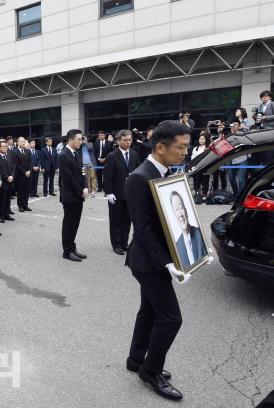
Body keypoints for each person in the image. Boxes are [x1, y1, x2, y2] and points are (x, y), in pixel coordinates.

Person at [124, 120, 195, 401]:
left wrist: (194, 248)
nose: (185, 152)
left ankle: (135, 359)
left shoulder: (166, 173)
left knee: (149, 311)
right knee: (171, 319)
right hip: (148, 262)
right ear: (161, 147)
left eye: (187, 147)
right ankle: (151, 370)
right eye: (182, 147)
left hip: (158, 258)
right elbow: (143, 229)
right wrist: (167, 263)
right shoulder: (140, 177)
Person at [103, 130, 141, 255]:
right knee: (115, 220)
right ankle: (116, 244)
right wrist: (108, 192)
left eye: (129, 140)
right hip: (116, 193)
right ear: (118, 140)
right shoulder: (112, 156)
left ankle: (124, 242)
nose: (128, 142)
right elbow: (107, 176)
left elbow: (138, 171)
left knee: (127, 220)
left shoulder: (134, 155)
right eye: (125, 140)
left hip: (130, 194)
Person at [58, 130, 89, 262]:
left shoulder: (77, 154)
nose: (81, 142)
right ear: (70, 140)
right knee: (69, 224)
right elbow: (68, 178)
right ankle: (67, 251)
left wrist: (86, 186)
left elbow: (82, 173)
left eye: (81, 139)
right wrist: (80, 191)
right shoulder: (63, 155)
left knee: (75, 224)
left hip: (78, 195)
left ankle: (72, 247)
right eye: (78, 139)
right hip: (70, 196)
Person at [170, 191, 206, 269]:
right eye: (176, 209)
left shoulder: (199, 234)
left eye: (181, 208)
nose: (180, 214)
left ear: (186, 210)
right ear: (174, 215)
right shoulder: (177, 247)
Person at [0, 140, 15, 224]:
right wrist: (7, 177)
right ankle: (0, 216)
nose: (5, 148)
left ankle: (6, 214)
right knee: (1, 200)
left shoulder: (9, 156)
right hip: (3, 181)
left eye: (6, 146)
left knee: (8, 199)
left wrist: (12, 176)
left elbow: (13, 167)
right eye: (3, 146)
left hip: (10, 181)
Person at [12, 137, 32, 212]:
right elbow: (16, 165)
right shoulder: (15, 152)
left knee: (26, 191)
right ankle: (20, 205)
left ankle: (25, 204)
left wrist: (29, 171)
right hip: (20, 175)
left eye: (24, 141)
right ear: (17, 143)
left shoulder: (27, 151)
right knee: (20, 191)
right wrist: (24, 172)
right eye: (21, 142)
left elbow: (30, 162)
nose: (23, 143)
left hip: (28, 174)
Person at [190, 132, 210, 197]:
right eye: (200, 139)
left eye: (203, 139)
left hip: (205, 167)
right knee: (197, 181)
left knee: (205, 181)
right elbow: (192, 158)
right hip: (196, 167)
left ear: (206, 140)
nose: (201, 140)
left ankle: (204, 194)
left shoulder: (208, 148)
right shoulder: (195, 148)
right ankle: (197, 193)